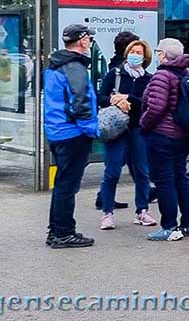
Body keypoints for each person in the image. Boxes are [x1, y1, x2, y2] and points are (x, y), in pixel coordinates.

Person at [43, 24, 99, 249]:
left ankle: (56, 230)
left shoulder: (56, 64)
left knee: (62, 184)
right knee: (68, 185)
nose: (91, 43)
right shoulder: (74, 67)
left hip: (57, 132)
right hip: (72, 133)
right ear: (83, 40)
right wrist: (90, 129)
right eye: (89, 38)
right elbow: (80, 101)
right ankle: (64, 233)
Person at [140, 38, 189, 241]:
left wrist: (144, 124)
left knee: (164, 180)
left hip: (163, 135)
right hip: (185, 134)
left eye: (158, 51)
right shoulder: (188, 72)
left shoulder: (162, 75)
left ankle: (169, 226)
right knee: (181, 177)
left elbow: (156, 107)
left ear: (163, 55)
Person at [96, 39, 157, 230]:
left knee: (141, 171)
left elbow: (148, 103)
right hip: (116, 130)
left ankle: (142, 211)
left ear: (145, 57)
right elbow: (100, 97)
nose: (135, 55)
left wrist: (129, 98)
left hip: (138, 129)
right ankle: (107, 213)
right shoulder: (114, 74)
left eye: (139, 52)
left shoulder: (149, 79)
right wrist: (114, 100)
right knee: (112, 171)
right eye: (133, 51)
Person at [94, 30, 139, 212]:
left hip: (127, 124)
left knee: (130, 162)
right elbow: (102, 97)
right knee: (119, 163)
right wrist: (119, 99)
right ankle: (103, 198)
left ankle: (105, 196)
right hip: (122, 123)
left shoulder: (116, 65)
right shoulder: (119, 70)